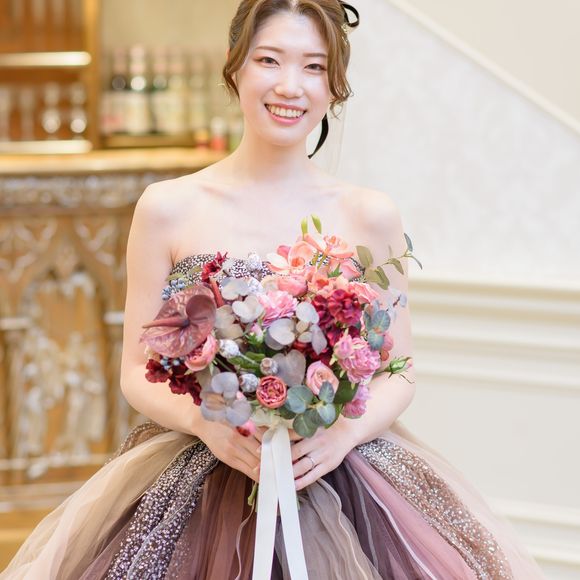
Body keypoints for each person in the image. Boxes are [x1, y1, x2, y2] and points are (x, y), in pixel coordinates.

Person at [2, 1, 545, 578]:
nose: (291, 85)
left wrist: (342, 435)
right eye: (269, 60)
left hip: (340, 470)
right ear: (235, 66)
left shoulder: (369, 215)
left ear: (334, 86)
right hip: (204, 470)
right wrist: (206, 425)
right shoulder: (167, 209)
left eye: (314, 67)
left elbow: (399, 370)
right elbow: (136, 371)